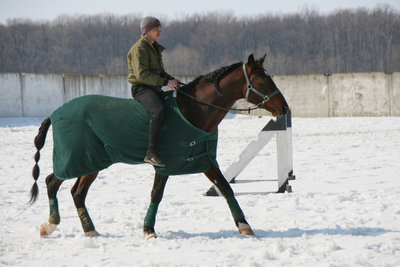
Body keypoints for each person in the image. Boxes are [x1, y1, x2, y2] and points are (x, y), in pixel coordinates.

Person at [127, 16, 180, 167]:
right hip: (141, 89)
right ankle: (151, 153)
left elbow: (160, 72)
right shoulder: (138, 49)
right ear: (147, 31)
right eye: (156, 29)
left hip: (154, 88)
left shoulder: (154, 47)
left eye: (160, 29)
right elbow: (142, 75)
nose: (160, 32)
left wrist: (173, 80)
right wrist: (165, 82)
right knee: (159, 110)